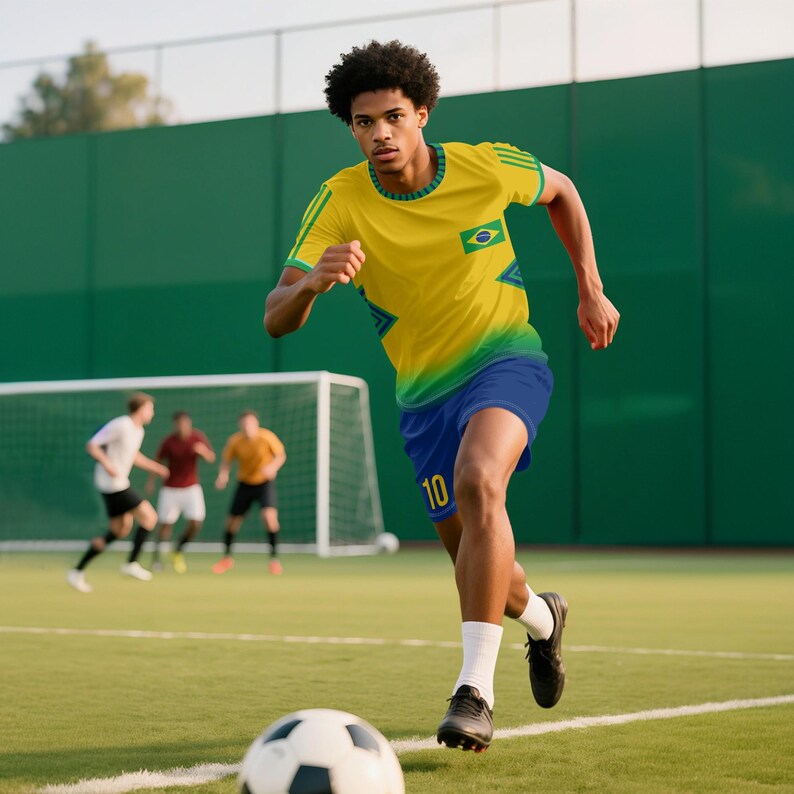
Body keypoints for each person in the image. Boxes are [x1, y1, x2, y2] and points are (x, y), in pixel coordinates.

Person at [264, 41, 619, 752]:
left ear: (422, 113)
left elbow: (562, 191)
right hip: (423, 398)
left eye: (394, 117)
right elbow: (276, 315)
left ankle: (474, 691)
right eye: (364, 123)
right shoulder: (339, 200)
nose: (380, 134)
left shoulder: (486, 165)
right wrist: (310, 283)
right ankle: (544, 621)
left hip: (506, 362)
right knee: (481, 563)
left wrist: (589, 284)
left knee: (480, 480)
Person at [67, 393, 169, 592]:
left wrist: (154, 468)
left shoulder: (138, 431)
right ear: (141, 409)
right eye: (150, 409)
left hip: (117, 483)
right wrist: (107, 464)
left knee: (119, 530)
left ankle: (77, 571)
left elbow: (133, 456)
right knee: (149, 518)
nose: (152, 413)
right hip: (112, 484)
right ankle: (131, 564)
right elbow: (92, 445)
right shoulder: (121, 424)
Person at [213, 410, 286, 575]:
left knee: (270, 518)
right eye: (245, 423)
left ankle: (274, 560)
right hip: (244, 484)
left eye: (251, 423)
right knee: (231, 523)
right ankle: (226, 559)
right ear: (240, 425)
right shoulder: (235, 441)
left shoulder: (267, 437)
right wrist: (222, 476)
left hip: (264, 484)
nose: (248, 427)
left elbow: (281, 455)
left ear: (256, 424)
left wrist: (272, 467)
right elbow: (226, 461)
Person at [146, 411, 215, 573]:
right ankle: (156, 560)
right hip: (170, 488)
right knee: (165, 525)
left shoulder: (197, 438)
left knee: (196, 523)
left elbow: (211, 458)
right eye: (179, 423)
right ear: (175, 425)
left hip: (191, 488)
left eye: (185, 423)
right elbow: (157, 461)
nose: (182, 426)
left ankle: (177, 550)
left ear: (189, 423)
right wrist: (151, 481)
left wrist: (203, 452)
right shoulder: (168, 442)